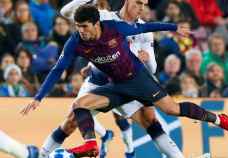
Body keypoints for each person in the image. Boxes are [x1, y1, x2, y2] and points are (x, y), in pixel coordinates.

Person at [21, 5, 228, 158]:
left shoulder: (114, 28)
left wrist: (174, 28)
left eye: (85, 27)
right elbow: (58, 68)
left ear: (96, 23)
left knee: (172, 109)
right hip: (114, 86)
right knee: (79, 106)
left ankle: (218, 119)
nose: (81, 32)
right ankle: (90, 145)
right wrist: (39, 97)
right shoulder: (75, 41)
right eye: (78, 27)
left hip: (139, 80)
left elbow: (145, 27)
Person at [49, 0, 184, 158]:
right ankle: (44, 154)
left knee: (150, 121)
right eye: (138, 3)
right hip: (102, 82)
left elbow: (152, 68)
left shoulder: (145, 30)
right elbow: (66, 12)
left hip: (130, 81)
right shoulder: (106, 17)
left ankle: (128, 149)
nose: (141, 8)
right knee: (73, 119)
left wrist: (146, 59)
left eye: (144, 5)